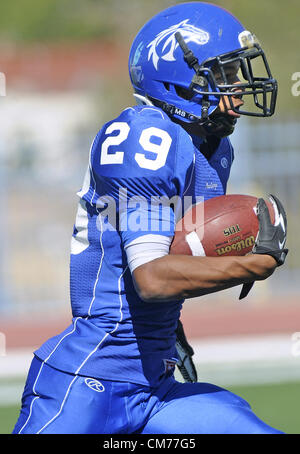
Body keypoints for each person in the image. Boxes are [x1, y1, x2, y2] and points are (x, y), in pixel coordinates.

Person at [13, 2, 288, 434]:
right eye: (225, 75)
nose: (237, 90)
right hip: (93, 382)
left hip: (155, 387)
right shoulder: (146, 137)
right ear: (179, 77)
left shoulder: (213, 149)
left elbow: (174, 247)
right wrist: (252, 264)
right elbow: (152, 278)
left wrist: (167, 330)